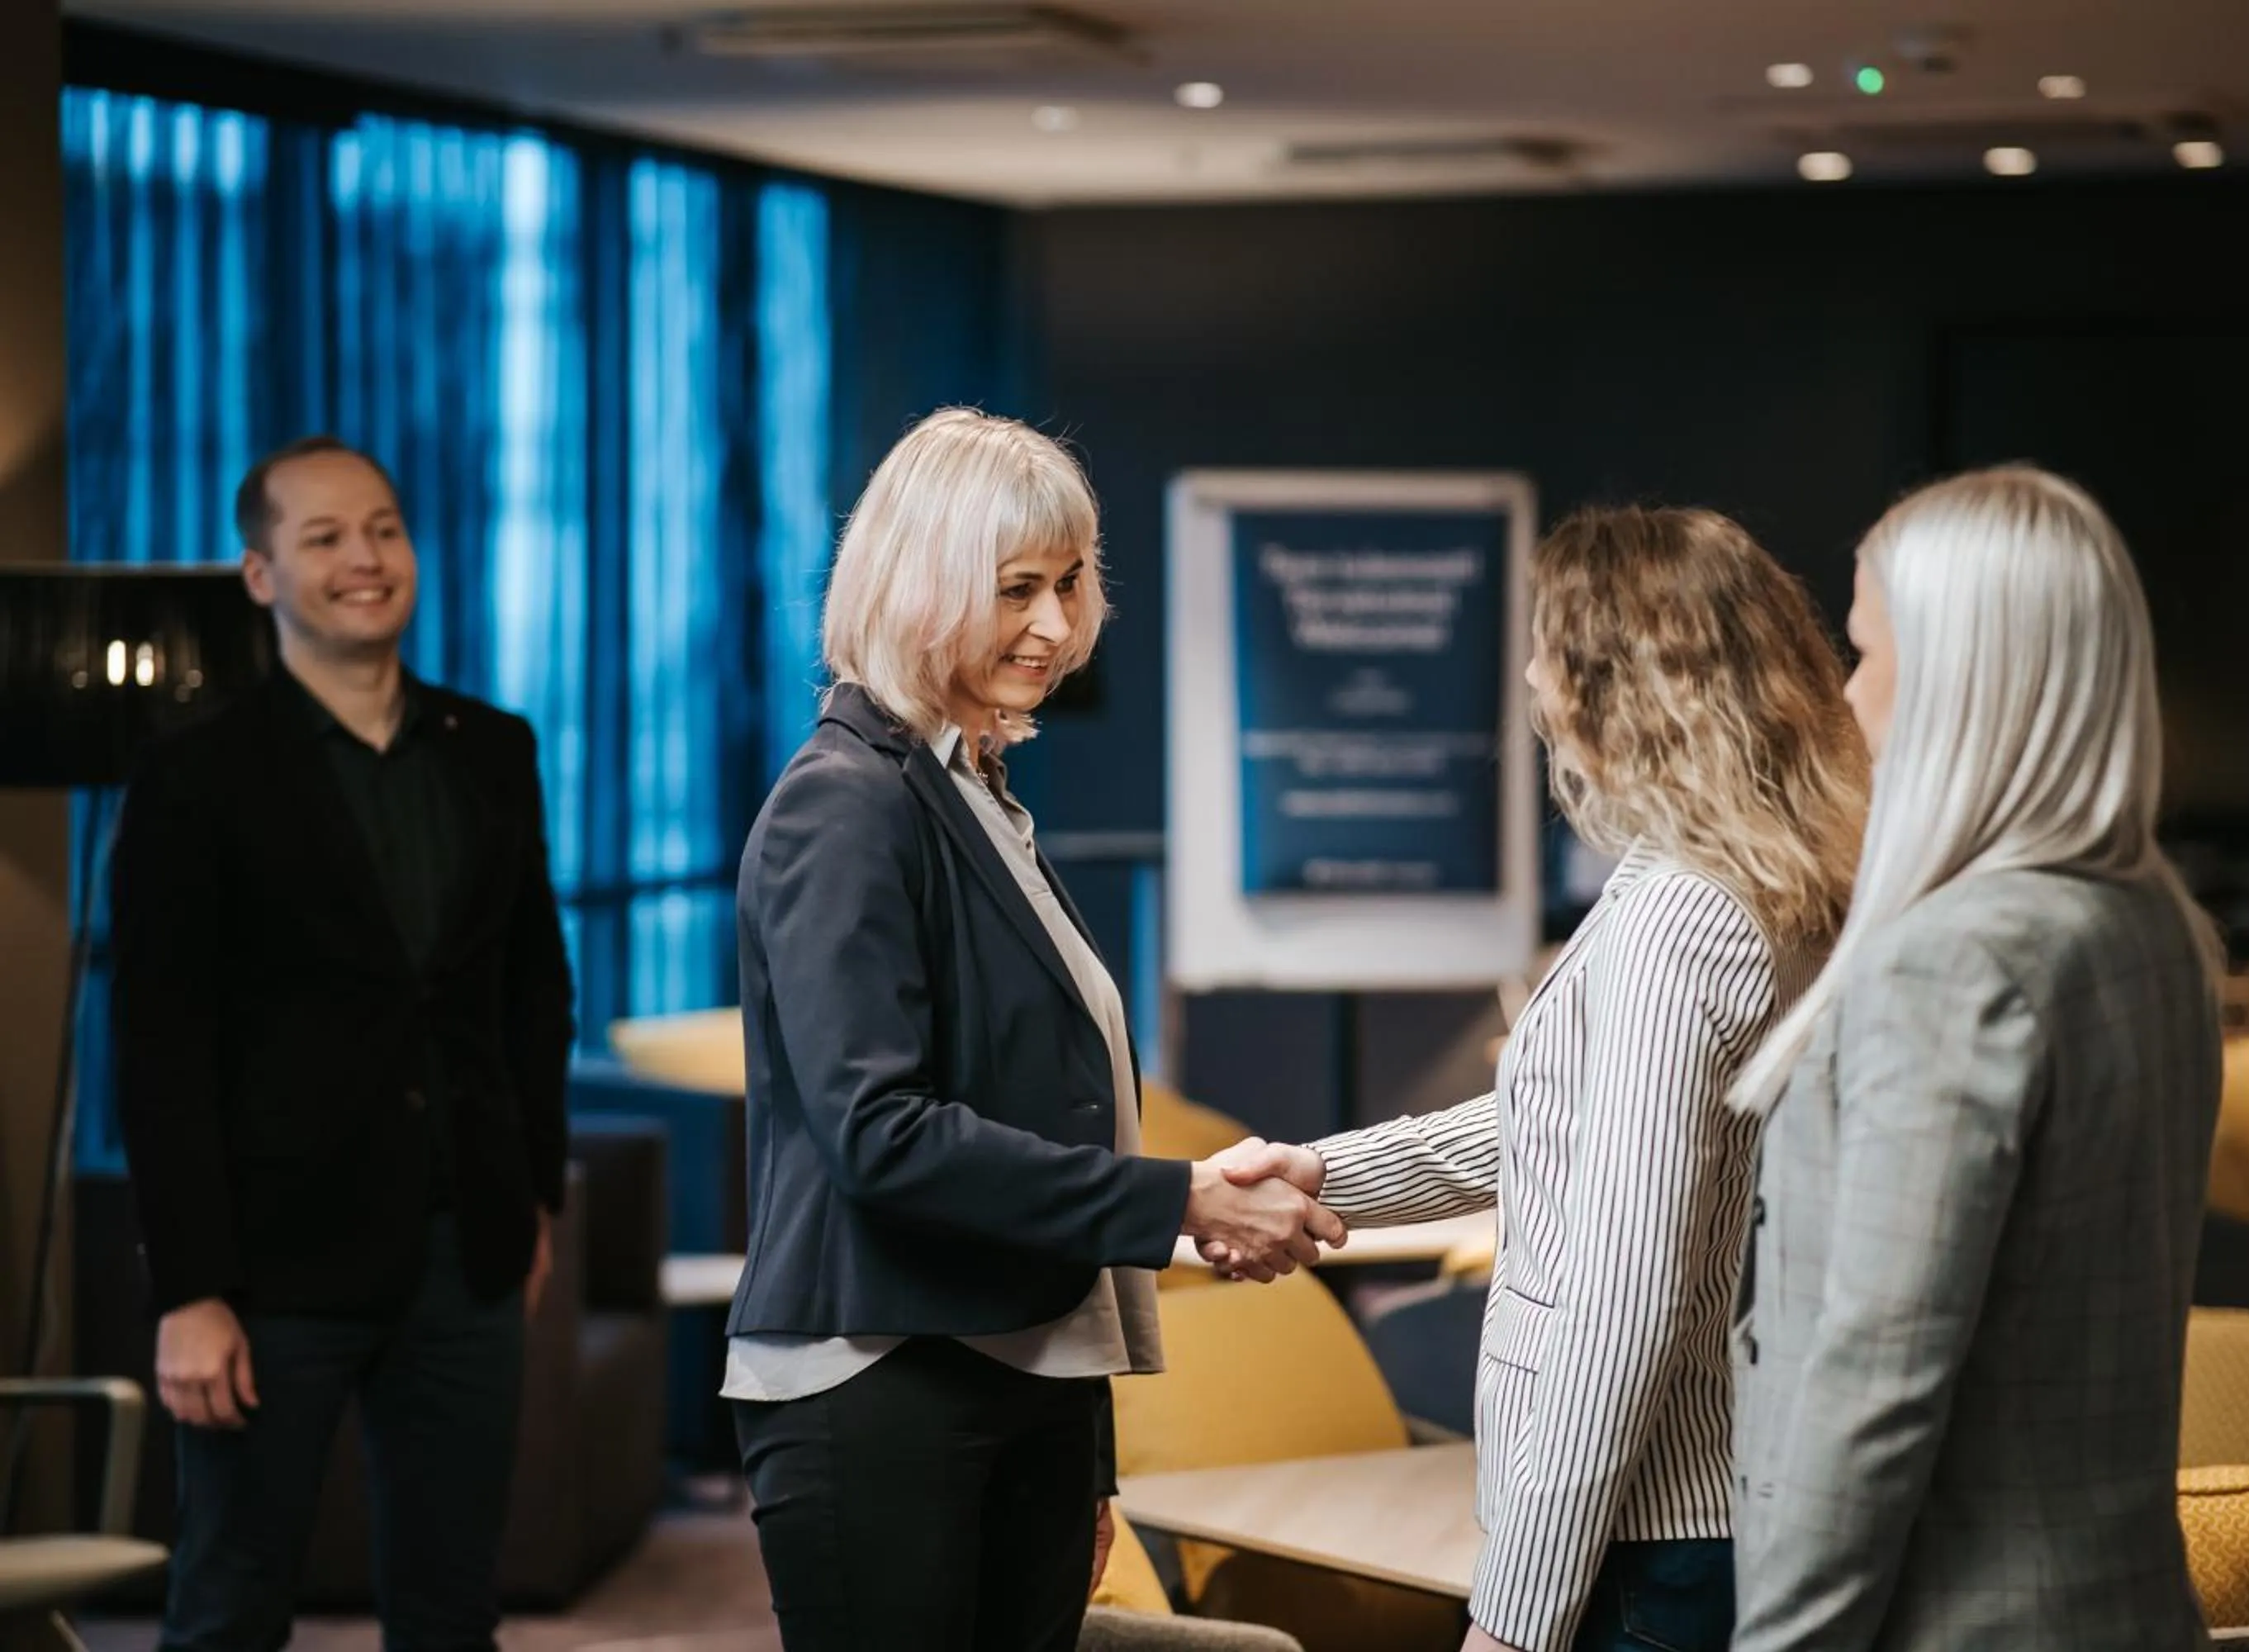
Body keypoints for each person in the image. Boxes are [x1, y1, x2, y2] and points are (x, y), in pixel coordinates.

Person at [724, 406, 1345, 1652]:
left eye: (1071, 584)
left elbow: (1043, 1117)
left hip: (1021, 1382)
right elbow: (882, 1137)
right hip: (882, 1384)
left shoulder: (971, 792)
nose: (1058, 627)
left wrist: (1091, 1438)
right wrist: (1181, 1202)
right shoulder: (845, 805)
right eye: (1017, 590)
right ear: (919, 583)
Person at [1210, 505, 1870, 1652]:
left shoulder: (1678, 920)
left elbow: (1624, 1304)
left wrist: (1514, 1619)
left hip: (1647, 1542)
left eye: (1545, 647)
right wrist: (1328, 1173)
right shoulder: (1766, 886)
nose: (1525, 676)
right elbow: (1568, 1120)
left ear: (1620, 686)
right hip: (1711, 1519)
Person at [1725, 466, 2225, 1651]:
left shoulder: (1955, 962)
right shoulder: (2152, 922)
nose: (1845, 700)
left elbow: (1877, 1384)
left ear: (1959, 676)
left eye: (1864, 652)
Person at [112, 435, 574, 1651]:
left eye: (383, 528)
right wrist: (191, 1291)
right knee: (230, 1604)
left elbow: (533, 989)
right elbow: (159, 1047)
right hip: (269, 1274)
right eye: (323, 539)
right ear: (261, 575)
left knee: (449, 1609)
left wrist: (532, 1193)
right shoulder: (192, 777)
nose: (365, 559)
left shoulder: (496, 749)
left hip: (464, 1254)